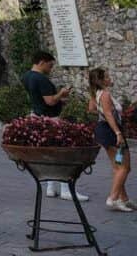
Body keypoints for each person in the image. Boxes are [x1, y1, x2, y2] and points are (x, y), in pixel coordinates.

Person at [23, 51, 88, 202]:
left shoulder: (26, 77)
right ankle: (66, 189)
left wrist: (58, 99)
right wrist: (61, 94)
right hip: (50, 119)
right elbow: (50, 101)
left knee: (48, 153)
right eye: (50, 65)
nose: (50, 68)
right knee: (62, 153)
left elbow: (38, 99)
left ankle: (51, 188)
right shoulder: (41, 79)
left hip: (37, 116)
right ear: (41, 62)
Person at [89, 68, 134, 211]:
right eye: (107, 76)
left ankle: (123, 199)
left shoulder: (96, 93)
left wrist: (103, 112)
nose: (109, 78)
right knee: (125, 167)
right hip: (110, 132)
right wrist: (117, 133)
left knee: (117, 167)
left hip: (104, 130)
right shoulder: (105, 94)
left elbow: (91, 109)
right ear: (101, 80)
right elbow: (108, 114)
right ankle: (113, 198)